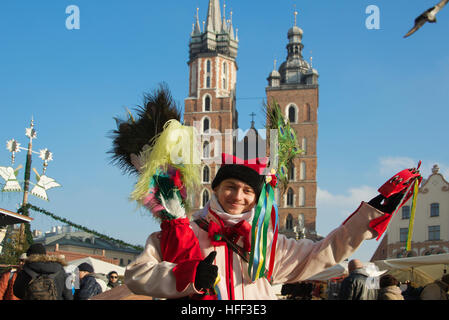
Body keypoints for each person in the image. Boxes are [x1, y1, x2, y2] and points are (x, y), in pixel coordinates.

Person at [124, 153, 403, 300]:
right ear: (216, 188)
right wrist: (187, 274)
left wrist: (373, 212)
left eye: (247, 191)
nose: (238, 196)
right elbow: (136, 276)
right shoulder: (183, 230)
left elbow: (326, 251)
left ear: (256, 199)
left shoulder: (265, 240)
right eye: (230, 187)